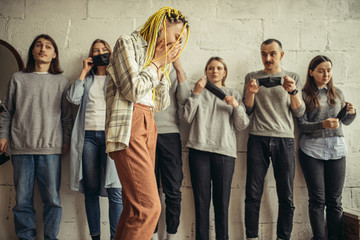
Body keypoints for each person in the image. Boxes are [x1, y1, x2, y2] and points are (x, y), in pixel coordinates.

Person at [105, 7, 189, 240]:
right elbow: (132, 90)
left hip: (149, 121)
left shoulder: (158, 57)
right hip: (129, 121)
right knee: (148, 208)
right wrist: (156, 63)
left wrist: (161, 65)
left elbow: (160, 102)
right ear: (162, 27)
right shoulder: (127, 43)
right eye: (176, 36)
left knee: (134, 208)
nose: (178, 43)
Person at [0, 34, 71, 240]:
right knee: (22, 201)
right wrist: (3, 136)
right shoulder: (17, 78)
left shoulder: (62, 82)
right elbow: (6, 111)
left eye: (48, 46)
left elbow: (67, 116)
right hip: (21, 148)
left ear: (54, 54)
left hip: (51, 149)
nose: (43, 48)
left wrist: (65, 140)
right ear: (32, 51)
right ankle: (26, 237)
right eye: (39, 45)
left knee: (53, 200)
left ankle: (51, 237)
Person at [243, 39, 305, 240]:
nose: (267, 58)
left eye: (272, 54)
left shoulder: (292, 77)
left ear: (281, 55)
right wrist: (251, 93)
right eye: (263, 54)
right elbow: (248, 110)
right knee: (253, 195)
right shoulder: (251, 77)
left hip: (284, 140)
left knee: (286, 196)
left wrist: (293, 91)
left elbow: (300, 112)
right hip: (257, 139)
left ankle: (283, 237)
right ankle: (252, 237)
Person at [183, 57, 249, 240]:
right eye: (210, 68)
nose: (215, 71)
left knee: (222, 204)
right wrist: (195, 93)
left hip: (224, 153)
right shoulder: (197, 92)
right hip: (199, 151)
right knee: (201, 203)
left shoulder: (233, 94)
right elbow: (186, 118)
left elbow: (242, 125)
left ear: (225, 72)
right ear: (206, 71)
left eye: (219, 68)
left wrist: (236, 106)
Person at [66, 39, 123, 240]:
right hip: (88, 137)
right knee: (90, 189)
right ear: (91, 56)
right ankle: (96, 237)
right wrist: (83, 71)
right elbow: (73, 98)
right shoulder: (87, 79)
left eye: (104, 50)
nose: (100, 53)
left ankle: (116, 236)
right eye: (96, 51)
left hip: (112, 138)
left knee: (116, 189)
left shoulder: (117, 78)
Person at [297, 55, 356, 240]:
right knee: (317, 200)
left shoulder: (338, 93)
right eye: (321, 70)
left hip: (337, 149)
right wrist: (322, 125)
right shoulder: (304, 94)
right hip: (312, 150)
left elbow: (344, 122)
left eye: (329, 70)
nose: (326, 74)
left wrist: (352, 113)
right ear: (311, 72)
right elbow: (301, 125)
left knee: (335, 201)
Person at [152, 57, 190, 240]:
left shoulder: (174, 70)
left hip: (170, 135)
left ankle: (171, 236)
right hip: (145, 135)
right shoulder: (144, 67)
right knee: (149, 192)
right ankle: (150, 235)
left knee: (173, 190)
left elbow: (184, 99)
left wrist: (179, 68)